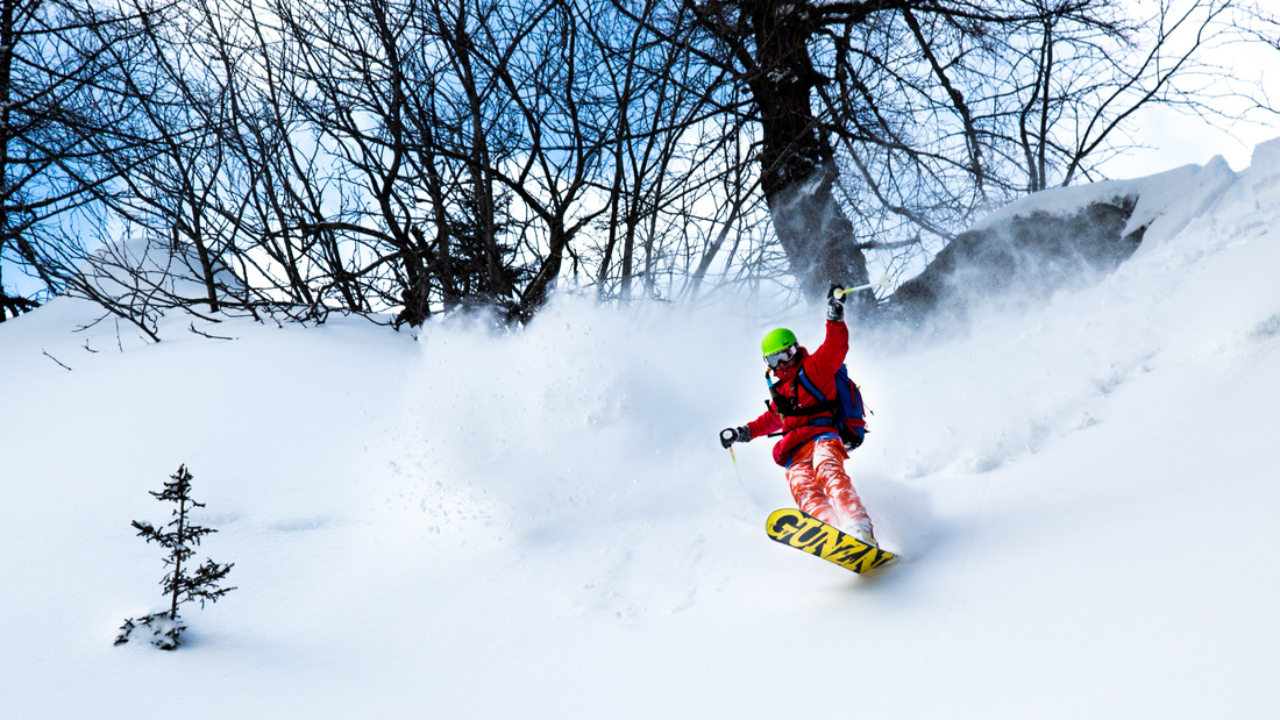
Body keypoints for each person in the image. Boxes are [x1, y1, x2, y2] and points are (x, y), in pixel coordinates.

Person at [720, 286, 878, 547]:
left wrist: (834, 319)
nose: (782, 365)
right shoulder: (781, 390)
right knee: (801, 485)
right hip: (795, 447)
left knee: (829, 470)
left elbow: (834, 350)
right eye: (774, 360)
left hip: (822, 437)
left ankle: (859, 527)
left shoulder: (814, 369)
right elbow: (771, 419)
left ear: (795, 350)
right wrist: (743, 432)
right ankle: (831, 531)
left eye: (785, 355)